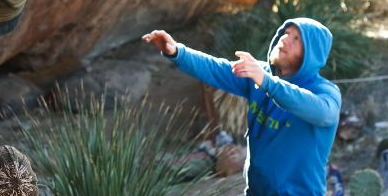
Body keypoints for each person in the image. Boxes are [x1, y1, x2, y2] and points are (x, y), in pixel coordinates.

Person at [142, 18, 341, 195]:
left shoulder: (324, 91)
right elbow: (215, 68)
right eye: (287, 33)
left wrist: (266, 82)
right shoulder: (259, 75)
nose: (285, 39)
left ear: (312, 53)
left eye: (297, 39)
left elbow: (323, 113)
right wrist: (177, 52)